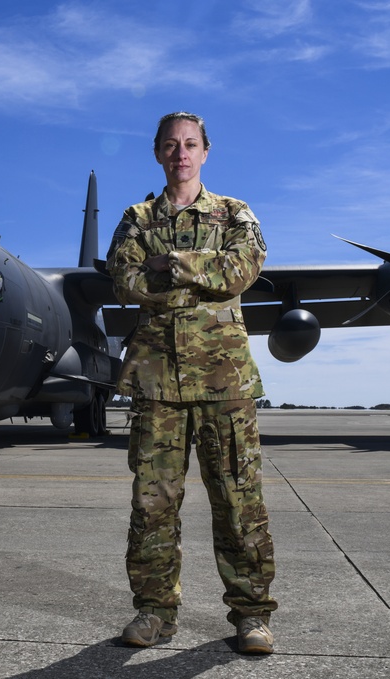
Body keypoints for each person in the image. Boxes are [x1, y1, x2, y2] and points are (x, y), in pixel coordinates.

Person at [106, 112, 277, 654]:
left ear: (205, 152)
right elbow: (124, 278)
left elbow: (243, 269)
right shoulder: (136, 217)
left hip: (224, 383)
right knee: (153, 506)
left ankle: (251, 616)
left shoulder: (234, 212)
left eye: (190, 144)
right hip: (157, 384)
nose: (181, 153)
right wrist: (203, 270)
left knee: (238, 499)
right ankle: (154, 614)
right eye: (171, 145)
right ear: (158, 153)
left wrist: (173, 263)